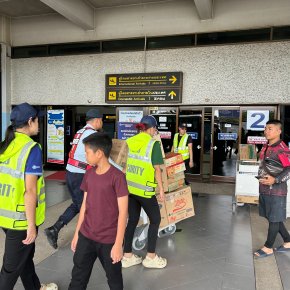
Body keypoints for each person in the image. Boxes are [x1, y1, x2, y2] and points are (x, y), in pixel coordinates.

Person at [0, 102, 57, 290]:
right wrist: (31, 225)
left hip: (6, 216)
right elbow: (30, 191)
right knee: (9, 270)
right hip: (21, 220)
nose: (39, 124)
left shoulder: (6, 145)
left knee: (24, 259)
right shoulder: (31, 149)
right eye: (37, 120)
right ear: (30, 121)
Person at [68, 132, 128, 290]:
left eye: (87, 152)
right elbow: (84, 206)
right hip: (86, 236)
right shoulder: (88, 174)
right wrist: (76, 234)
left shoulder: (117, 177)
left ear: (99, 153)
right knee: (77, 278)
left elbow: (123, 213)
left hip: (109, 240)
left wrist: (118, 244)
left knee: (114, 280)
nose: (85, 155)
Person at [44, 109, 103, 249]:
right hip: (79, 175)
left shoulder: (80, 132)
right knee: (86, 206)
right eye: (101, 119)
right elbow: (100, 157)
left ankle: (55, 229)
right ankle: (87, 238)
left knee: (79, 204)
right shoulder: (93, 135)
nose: (101, 122)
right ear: (96, 120)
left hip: (71, 172)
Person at [122, 115, 167, 269]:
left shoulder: (130, 141)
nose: (156, 131)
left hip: (130, 189)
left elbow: (125, 164)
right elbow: (157, 170)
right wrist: (161, 189)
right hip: (145, 191)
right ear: (151, 128)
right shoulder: (152, 144)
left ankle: (127, 256)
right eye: (155, 128)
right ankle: (151, 257)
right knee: (155, 220)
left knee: (133, 220)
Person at [254, 120, 290, 258]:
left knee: (274, 218)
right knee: (273, 217)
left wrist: (276, 179)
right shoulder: (266, 146)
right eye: (265, 128)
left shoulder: (281, 148)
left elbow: (288, 168)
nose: (266, 131)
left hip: (277, 190)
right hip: (264, 188)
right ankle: (288, 241)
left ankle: (268, 247)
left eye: (270, 128)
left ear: (278, 131)